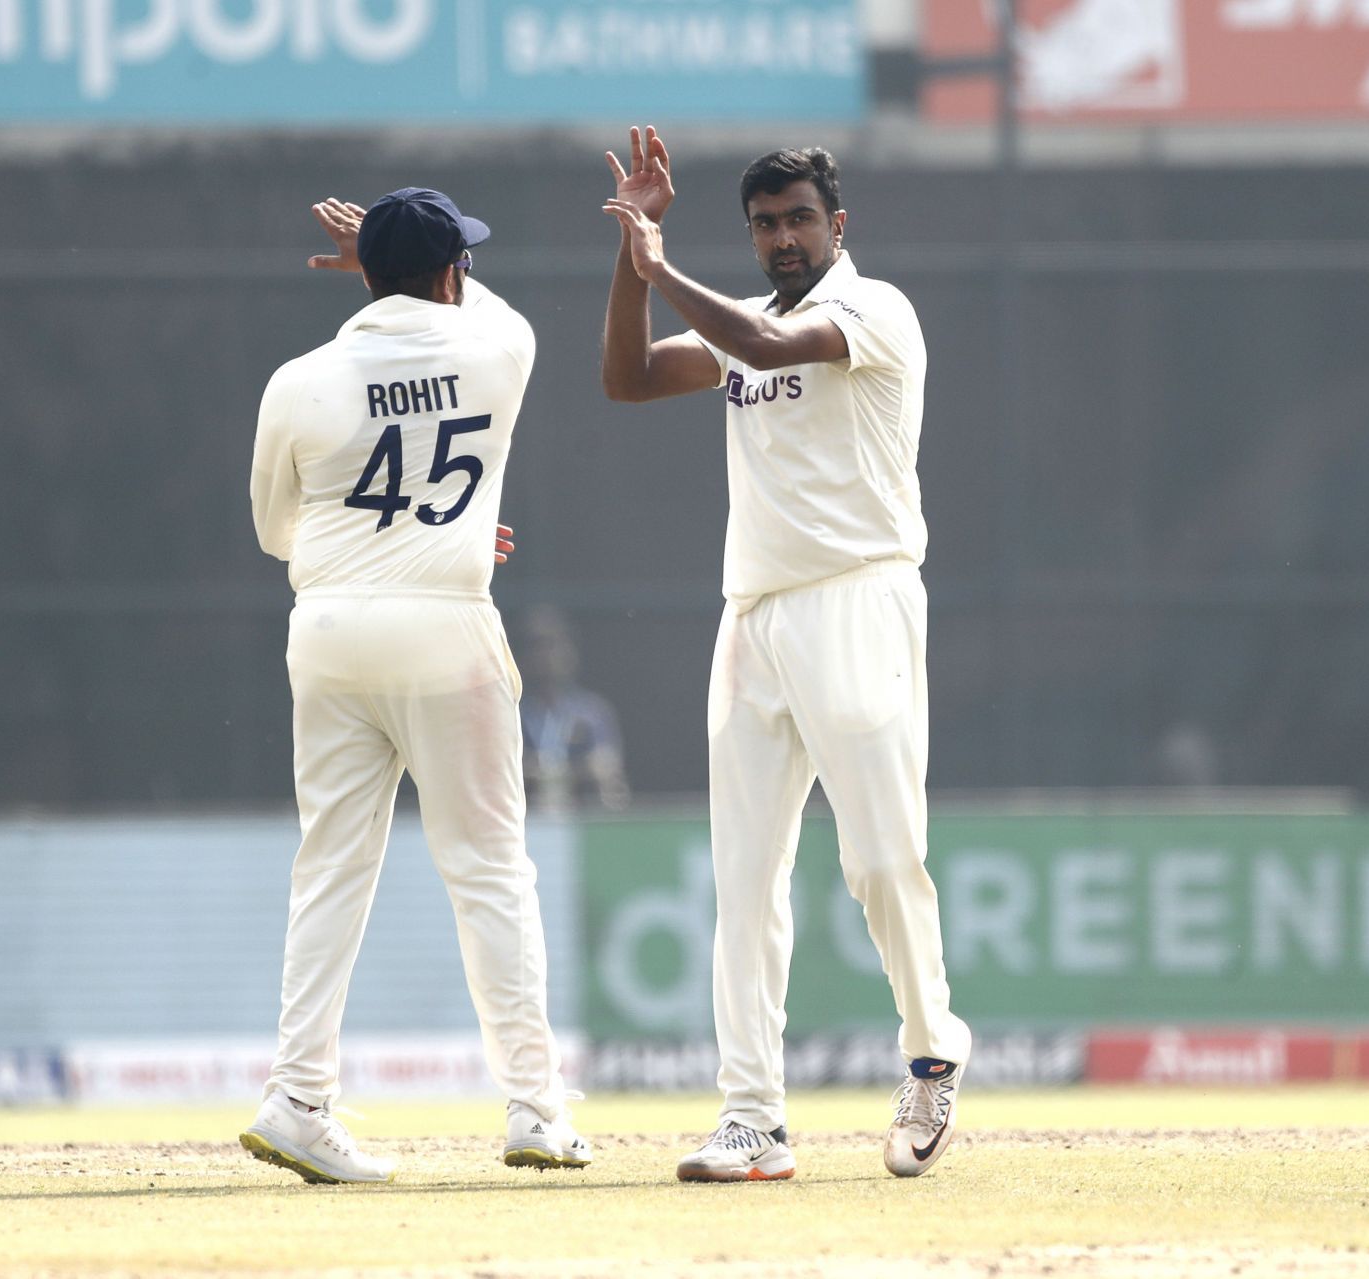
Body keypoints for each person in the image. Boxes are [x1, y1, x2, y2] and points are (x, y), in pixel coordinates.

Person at [600, 127, 971, 1181]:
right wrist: (637, 251)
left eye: (799, 219)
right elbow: (626, 378)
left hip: (859, 597)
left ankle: (934, 1053)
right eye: (764, 225)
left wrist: (661, 266)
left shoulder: (873, 309)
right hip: (753, 615)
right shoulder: (744, 319)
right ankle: (753, 1119)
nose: (782, 239)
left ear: (837, 224)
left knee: (880, 858)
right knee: (746, 875)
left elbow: (768, 352)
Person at [244, 189, 588, 1183]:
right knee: (488, 869)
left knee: (330, 869)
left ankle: (299, 1097)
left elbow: (278, 533)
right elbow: (485, 311)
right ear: (449, 276)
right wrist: (446, 532)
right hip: (444, 630)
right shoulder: (498, 348)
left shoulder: (299, 380)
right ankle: (534, 1110)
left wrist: (387, 532)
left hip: (332, 629)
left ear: (365, 277)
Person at [518, 605, 630, 813]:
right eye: (537, 647)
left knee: (614, 789)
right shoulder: (515, 713)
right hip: (527, 815)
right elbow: (506, 768)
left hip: (582, 812)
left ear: (570, 652)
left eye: (554, 645)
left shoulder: (591, 711)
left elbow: (605, 764)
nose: (546, 656)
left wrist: (552, 772)